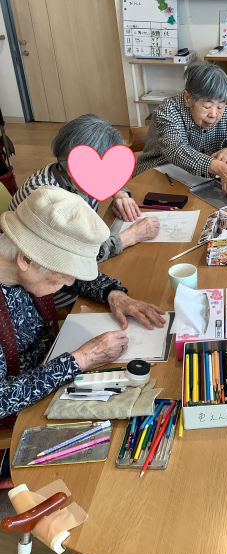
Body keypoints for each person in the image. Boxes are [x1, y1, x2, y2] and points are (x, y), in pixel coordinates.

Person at [0, 186, 166, 476]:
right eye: (61, 278)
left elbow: (70, 275)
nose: (67, 284)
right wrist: (80, 360)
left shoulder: (22, 260)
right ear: (25, 259)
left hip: (54, 367)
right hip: (25, 412)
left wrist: (113, 294)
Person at [10, 114, 159, 306]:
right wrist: (131, 236)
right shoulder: (48, 201)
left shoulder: (67, 174)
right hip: (52, 286)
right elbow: (75, 258)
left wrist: (119, 193)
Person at [134, 63, 227, 197]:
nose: (213, 114)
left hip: (199, 182)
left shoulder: (224, 113)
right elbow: (176, 150)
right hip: (155, 178)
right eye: (207, 106)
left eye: (220, 106)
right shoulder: (168, 111)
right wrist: (216, 166)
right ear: (187, 98)